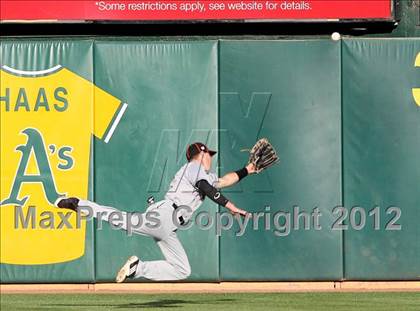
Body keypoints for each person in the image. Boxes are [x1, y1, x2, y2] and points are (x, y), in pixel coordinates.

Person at [56, 142, 256, 282]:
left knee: (182, 270)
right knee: (119, 219)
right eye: (209, 155)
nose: (211, 159)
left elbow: (223, 181)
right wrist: (231, 206)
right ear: (202, 154)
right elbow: (206, 187)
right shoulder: (193, 167)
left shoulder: (202, 172)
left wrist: (248, 169)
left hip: (168, 226)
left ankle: (137, 268)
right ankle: (78, 204)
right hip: (165, 215)